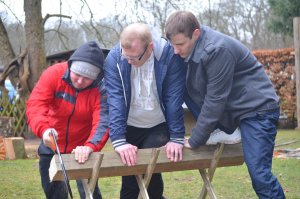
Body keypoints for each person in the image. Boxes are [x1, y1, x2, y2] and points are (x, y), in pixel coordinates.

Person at [165, 11, 285, 199]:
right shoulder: (188, 48)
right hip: (234, 109)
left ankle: (224, 131)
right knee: (183, 85)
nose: (176, 50)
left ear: (196, 34)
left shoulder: (217, 49)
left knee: (259, 175)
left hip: (257, 110)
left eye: (180, 44)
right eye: (173, 44)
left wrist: (196, 139)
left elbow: (215, 100)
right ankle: (226, 130)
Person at [104, 23, 186, 199]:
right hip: (130, 127)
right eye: (126, 57)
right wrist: (118, 139)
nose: (129, 62)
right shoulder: (114, 58)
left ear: (150, 47)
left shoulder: (169, 56)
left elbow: (174, 98)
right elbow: (115, 99)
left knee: (148, 169)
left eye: (134, 58)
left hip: (158, 126)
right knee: (130, 180)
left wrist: (177, 137)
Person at [26, 41, 109, 199]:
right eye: (77, 75)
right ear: (70, 67)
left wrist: (90, 146)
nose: (79, 81)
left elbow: (102, 122)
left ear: (96, 77)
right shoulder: (53, 74)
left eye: (87, 79)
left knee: (90, 194)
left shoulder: (101, 88)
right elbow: (36, 104)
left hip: (83, 149)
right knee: (54, 194)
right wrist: (44, 130)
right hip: (51, 143)